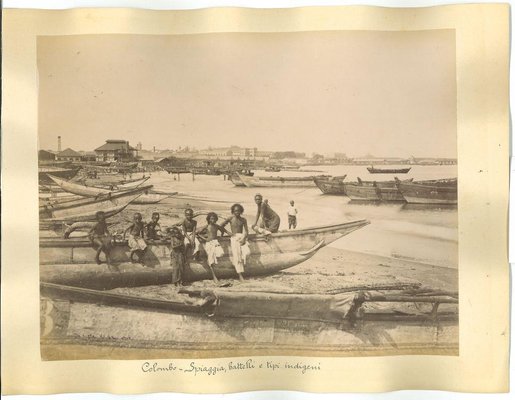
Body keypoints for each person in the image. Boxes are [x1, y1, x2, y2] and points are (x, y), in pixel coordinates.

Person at [198, 212, 231, 283]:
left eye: (214, 219)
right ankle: (214, 277)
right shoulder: (207, 226)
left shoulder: (216, 226)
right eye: (211, 219)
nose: (212, 220)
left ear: (216, 219)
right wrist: (204, 239)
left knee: (220, 253)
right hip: (209, 243)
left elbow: (223, 229)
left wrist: (225, 234)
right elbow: (198, 233)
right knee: (211, 260)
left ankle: (216, 273)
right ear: (209, 219)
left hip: (215, 242)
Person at [221, 204, 250, 282]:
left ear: (241, 211)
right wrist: (228, 233)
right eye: (235, 211)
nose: (237, 212)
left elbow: (247, 231)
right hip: (234, 238)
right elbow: (221, 226)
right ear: (233, 211)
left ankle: (243, 270)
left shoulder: (243, 220)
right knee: (237, 256)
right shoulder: (231, 218)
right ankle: (240, 275)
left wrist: (244, 238)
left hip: (241, 237)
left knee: (247, 252)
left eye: (238, 210)